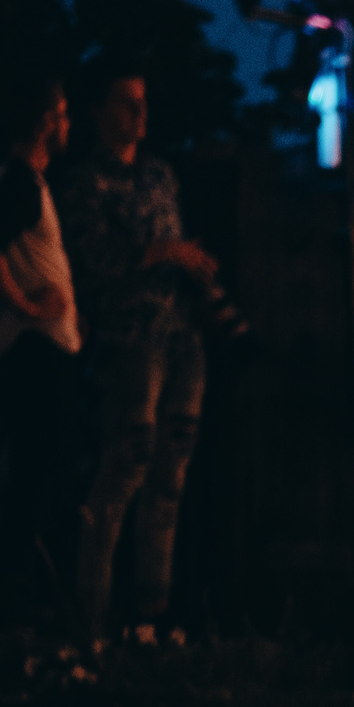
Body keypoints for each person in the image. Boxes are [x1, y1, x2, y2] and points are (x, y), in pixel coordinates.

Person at [55, 62, 222, 638]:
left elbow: (172, 248)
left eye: (143, 102)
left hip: (182, 338)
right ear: (99, 111)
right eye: (127, 102)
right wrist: (164, 254)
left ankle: (152, 621)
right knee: (126, 467)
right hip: (131, 341)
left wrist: (193, 268)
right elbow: (93, 267)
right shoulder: (86, 185)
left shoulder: (159, 174)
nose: (140, 114)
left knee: (170, 479)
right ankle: (92, 622)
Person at [0, 71, 80, 605]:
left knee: (41, 474)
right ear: (44, 122)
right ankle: (17, 600)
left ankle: (21, 597)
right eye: (61, 114)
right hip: (36, 352)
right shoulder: (18, 182)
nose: (68, 124)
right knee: (38, 477)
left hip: (39, 350)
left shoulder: (22, 182)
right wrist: (30, 306)